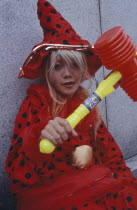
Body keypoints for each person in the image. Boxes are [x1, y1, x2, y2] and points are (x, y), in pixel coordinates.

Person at [5, 0, 137, 209]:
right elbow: (18, 168)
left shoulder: (88, 106)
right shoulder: (35, 103)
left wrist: (122, 178)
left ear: (83, 70)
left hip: (91, 183)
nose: (67, 74)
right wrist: (40, 135)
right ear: (47, 71)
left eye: (74, 65)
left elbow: (108, 150)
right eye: (58, 66)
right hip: (52, 193)